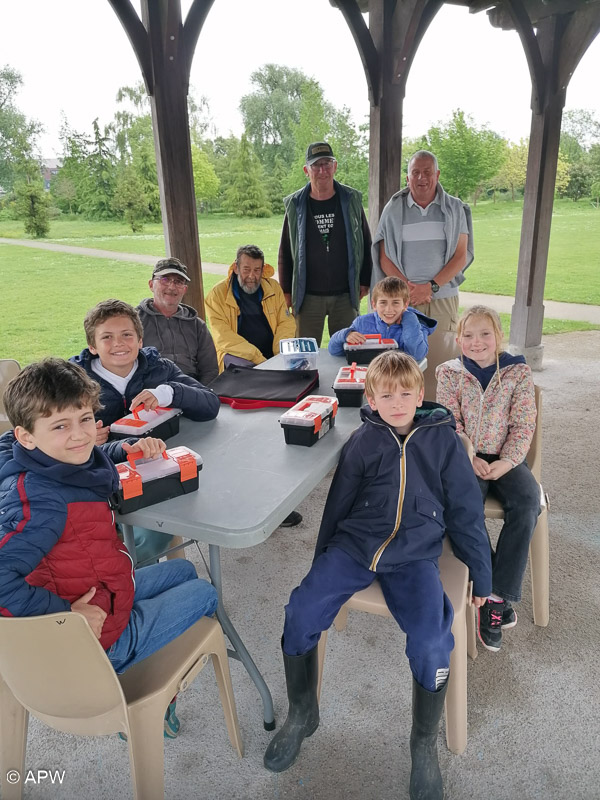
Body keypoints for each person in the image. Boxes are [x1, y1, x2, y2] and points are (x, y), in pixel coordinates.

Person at [264, 351, 491, 800]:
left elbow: (466, 511)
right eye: (386, 394)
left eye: (406, 393)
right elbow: (337, 507)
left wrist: (482, 580)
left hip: (414, 555)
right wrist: (319, 568)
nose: (397, 401)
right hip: (356, 546)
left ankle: (422, 743)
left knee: (431, 639)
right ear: (371, 397)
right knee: (302, 610)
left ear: (420, 394)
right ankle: (302, 713)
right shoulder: (363, 441)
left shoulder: (443, 442)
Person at [0, 358, 218, 737]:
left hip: (106, 588)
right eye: (60, 426)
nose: (80, 435)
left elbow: (89, 459)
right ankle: (147, 692)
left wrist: (126, 449)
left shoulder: (52, 458)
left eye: (85, 419)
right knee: (205, 591)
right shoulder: (43, 502)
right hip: (97, 640)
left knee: (183, 570)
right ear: (25, 436)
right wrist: (67, 617)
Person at [435, 305, 540, 652]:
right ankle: (486, 581)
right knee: (462, 509)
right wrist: (471, 456)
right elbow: (449, 422)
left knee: (527, 501)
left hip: (507, 459)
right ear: (458, 338)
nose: (476, 342)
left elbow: (523, 422)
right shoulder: (449, 373)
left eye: (485, 334)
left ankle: (496, 596)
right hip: (468, 459)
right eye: (468, 335)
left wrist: (507, 461)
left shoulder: (516, 371)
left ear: (498, 336)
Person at [70, 299, 220, 445]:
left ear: (140, 341)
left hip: (162, 456)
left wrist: (168, 393)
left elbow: (210, 405)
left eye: (127, 334)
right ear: (92, 346)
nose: (118, 343)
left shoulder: (160, 368)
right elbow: (51, 435)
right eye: (107, 337)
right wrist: (81, 440)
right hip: (108, 466)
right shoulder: (73, 382)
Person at [278, 142, 372, 346]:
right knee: (305, 354)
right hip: (307, 296)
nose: (322, 170)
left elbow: (365, 241)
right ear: (306, 170)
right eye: (316, 165)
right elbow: (286, 251)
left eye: (327, 164)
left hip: (345, 295)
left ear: (335, 166)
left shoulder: (351, 200)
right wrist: (286, 292)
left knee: (348, 349)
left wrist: (364, 280)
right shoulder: (295, 205)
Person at [371, 150, 474, 335]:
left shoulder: (455, 208)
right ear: (407, 177)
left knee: (441, 360)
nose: (421, 178)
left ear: (437, 175)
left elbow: (460, 256)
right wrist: (406, 291)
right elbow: (384, 257)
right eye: (415, 172)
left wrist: (430, 287)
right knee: (402, 361)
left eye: (427, 172)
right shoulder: (393, 209)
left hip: (442, 299)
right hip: (401, 301)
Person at [205, 244, 296, 372]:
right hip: (238, 355)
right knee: (248, 371)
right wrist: (259, 359)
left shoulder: (273, 288)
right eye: (246, 269)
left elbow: (285, 322)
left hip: (272, 353)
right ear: (236, 268)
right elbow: (223, 338)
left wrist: (279, 355)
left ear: (263, 270)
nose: (252, 276)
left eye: (257, 270)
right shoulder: (217, 295)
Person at [137, 256, 219, 385]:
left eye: (179, 282)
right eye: (165, 279)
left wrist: (201, 395)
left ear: (184, 289)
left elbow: (210, 370)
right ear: (151, 285)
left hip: (190, 390)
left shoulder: (197, 326)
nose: (172, 287)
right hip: (149, 392)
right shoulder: (135, 321)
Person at [328, 276, 437, 362]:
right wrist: (346, 335)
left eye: (395, 303)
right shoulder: (361, 323)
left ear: (405, 304)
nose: (389, 309)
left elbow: (417, 355)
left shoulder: (415, 324)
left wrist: (409, 318)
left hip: (398, 381)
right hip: (368, 379)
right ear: (374, 304)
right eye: (383, 303)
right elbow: (334, 350)